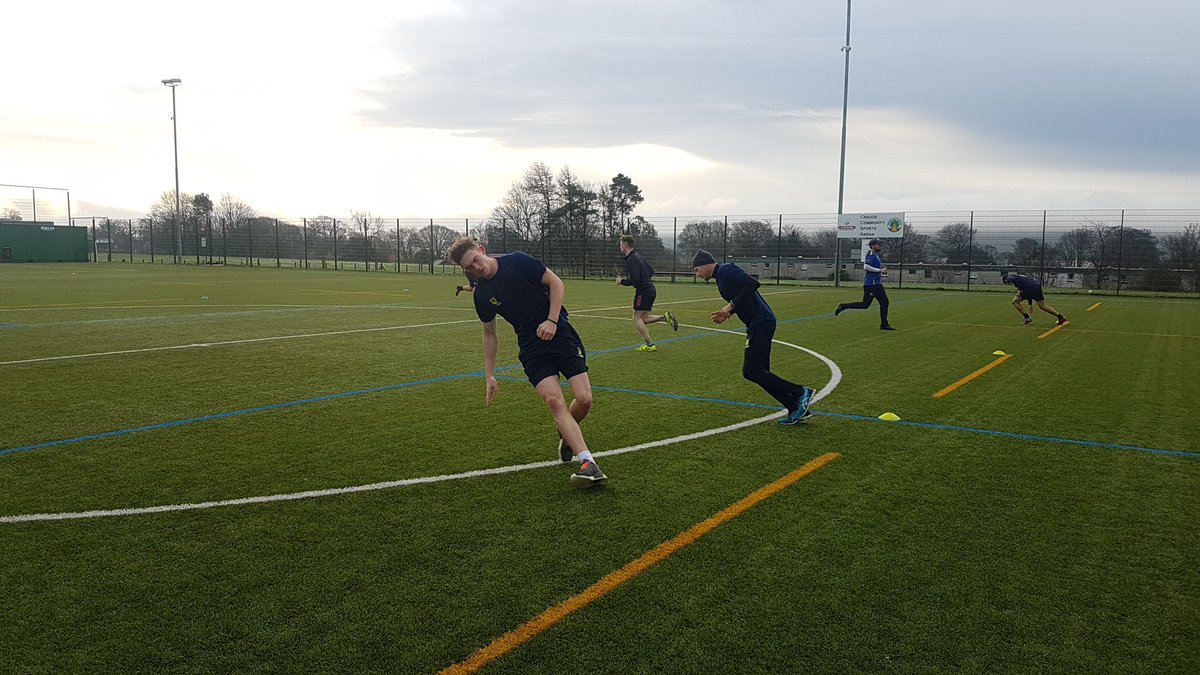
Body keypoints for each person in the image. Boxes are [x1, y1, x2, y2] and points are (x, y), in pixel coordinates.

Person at [446, 237, 606, 486]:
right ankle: (588, 463)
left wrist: (552, 321)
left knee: (584, 398)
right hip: (532, 349)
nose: (476, 268)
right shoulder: (481, 295)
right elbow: (489, 334)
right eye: (468, 267)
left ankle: (567, 434)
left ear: (482, 250)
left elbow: (556, 283)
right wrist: (489, 375)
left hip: (561, 334)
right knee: (555, 401)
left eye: (476, 260)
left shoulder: (518, 261)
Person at [691, 249, 815, 425]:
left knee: (751, 371)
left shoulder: (726, 270)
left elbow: (752, 284)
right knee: (760, 372)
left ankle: (800, 393)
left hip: (761, 322)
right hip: (757, 323)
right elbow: (743, 296)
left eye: (696, 270)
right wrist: (729, 312)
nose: (697, 274)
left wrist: (730, 306)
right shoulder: (720, 278)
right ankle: (795, 407)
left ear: (705, 264)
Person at [617, 234, 678, 351]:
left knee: (636, 318)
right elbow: (651, 271)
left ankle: (649, 344)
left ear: (625, 245)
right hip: (650, 289)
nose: (620, 247)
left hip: (643, 291)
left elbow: (634, 280)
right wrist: (644, 280)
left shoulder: (632, 259)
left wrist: (621, 281)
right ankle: (664, 317)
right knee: (643, 318)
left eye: (620, 244)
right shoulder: (638, 256)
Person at [834, 238, 895, 330]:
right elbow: (866, 266)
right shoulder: (871, 254)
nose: (879, 246)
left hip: (877, 284)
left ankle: (884, 324)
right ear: (872, 246)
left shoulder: (875, 255)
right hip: (871, 285)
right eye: (878, 244)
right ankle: (843, 306)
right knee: (865, 305)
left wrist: (880, 270)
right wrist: (880, 270)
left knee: (883, 302)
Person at [1002, 272, 1067, 325]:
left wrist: (1029, 304)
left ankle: (1027, 318)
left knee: (1014, 302)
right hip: (1036, 286)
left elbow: (1027, 291)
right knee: (1043, 306)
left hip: (1030, 288)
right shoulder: (1018, 276)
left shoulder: (1009, 278)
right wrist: (1021, 292)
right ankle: (1060, 317)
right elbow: (1026, 285)